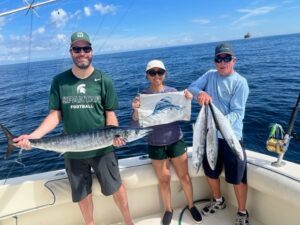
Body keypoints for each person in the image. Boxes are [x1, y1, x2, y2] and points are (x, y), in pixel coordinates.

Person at [13, 31, 134, 225]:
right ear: (71, 52)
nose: (82, 53)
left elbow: (110, 113)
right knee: (82, 193)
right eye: (77, 49)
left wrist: (115, 135)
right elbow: (55, 115)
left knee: (116, 186)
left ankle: (129, 222)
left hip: (103, 149)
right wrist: (33, 137)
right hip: (71, 149)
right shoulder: (59, 81)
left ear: (91, 51)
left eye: (85, 48)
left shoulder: (104, 80)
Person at [131, 59, 202, 225]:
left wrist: (187, 100)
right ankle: (168, 209)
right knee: (164, 180)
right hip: (155, 144)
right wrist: (135, 110)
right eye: (152, 72)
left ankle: (191, 205)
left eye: (160, 72)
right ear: (147, 75)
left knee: (184, 177)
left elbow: (183, 114)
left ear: (165, 74)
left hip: (176, 140)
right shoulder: (142, 97)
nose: (156, 76)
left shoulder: (173, 91)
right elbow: (135, 124)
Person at [188, 43, 250, 225]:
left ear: (234, 60)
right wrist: (200, 94)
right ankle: (218, 201)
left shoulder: (240, 82)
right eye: (218, 59)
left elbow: (238, 113)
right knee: (211, 172)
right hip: (210, 137)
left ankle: (242, 211)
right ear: (214, 61)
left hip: (231, 137)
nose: (222, 62)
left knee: (238, 178)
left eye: (226, 58)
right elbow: (191, 87)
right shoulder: (209, 75)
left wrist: (217, 122)